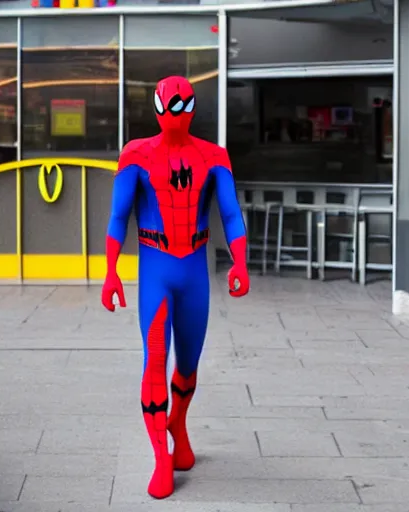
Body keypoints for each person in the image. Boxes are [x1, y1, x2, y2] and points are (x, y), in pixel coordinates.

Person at [101, 75, 250, 499]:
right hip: (156, 269)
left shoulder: (214, 156)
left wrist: (240, 261)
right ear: (155, 108)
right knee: (154, 362)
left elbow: (231, 214)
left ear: (194, 109)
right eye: (166, 108)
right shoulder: (136, 154)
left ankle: (178, 425)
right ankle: (160, 457)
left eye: (182, 108)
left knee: (187, 367)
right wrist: (110, 271)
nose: (173, 117)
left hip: (194, 271)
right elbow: (118, 216)